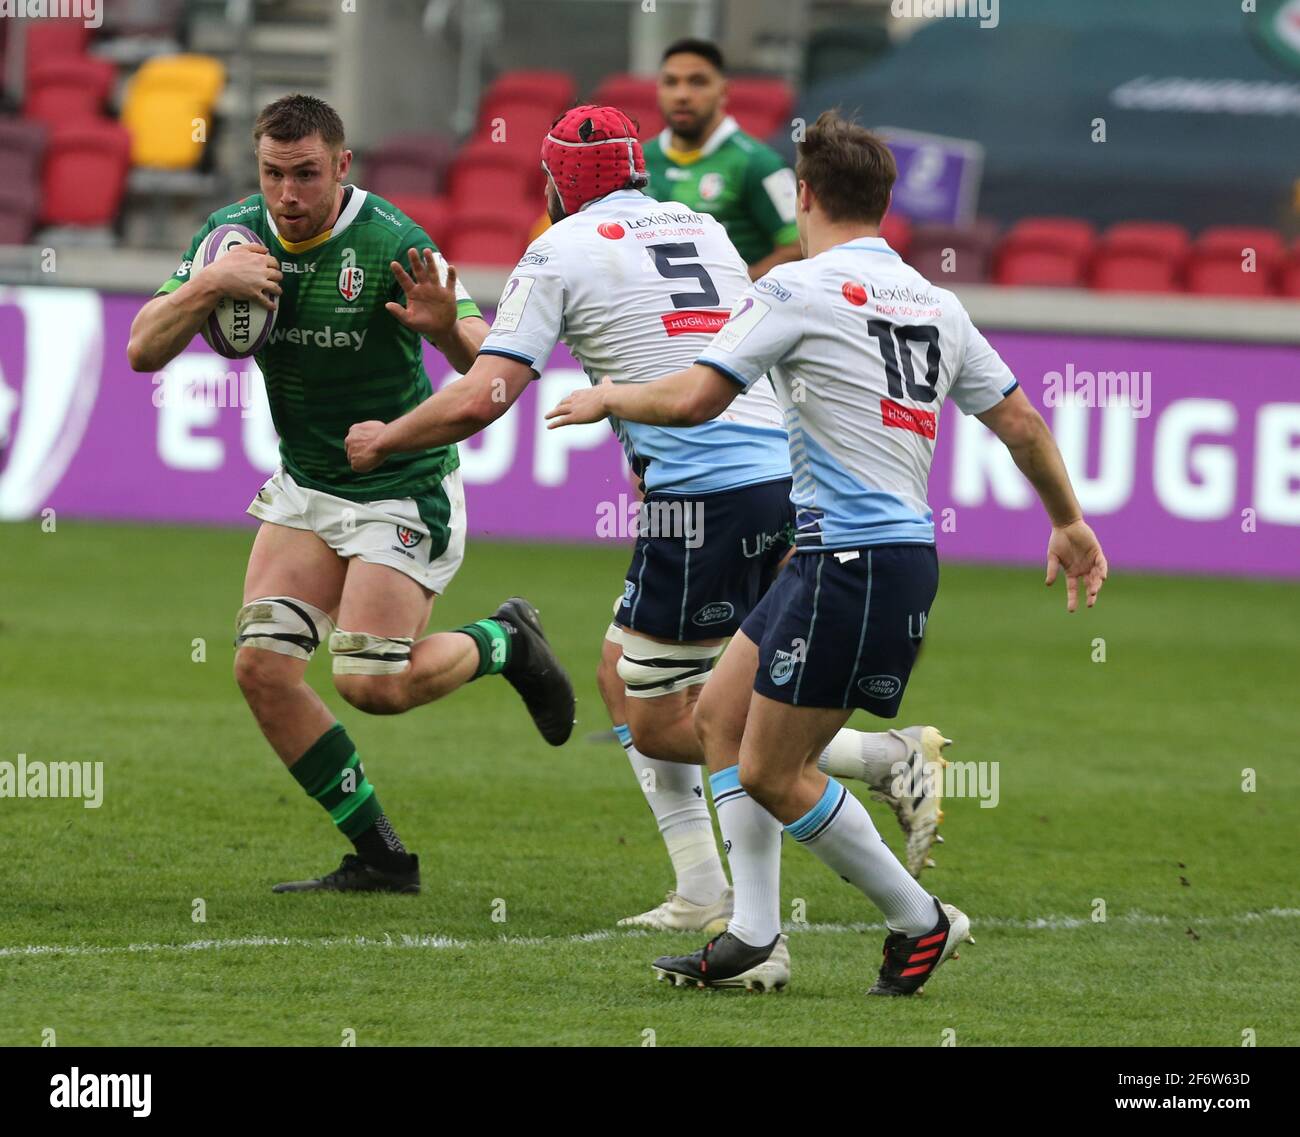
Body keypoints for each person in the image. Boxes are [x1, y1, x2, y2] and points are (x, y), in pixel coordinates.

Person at [346, 105, 953, 938]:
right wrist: (452, 325)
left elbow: (489, 393)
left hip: (705, 495)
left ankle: (864, 781)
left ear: (556, 185)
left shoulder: (556, 248)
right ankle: (704, 885)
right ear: (637, 172)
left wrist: (388, 436)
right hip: (779, 474)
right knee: (617, 673)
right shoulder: (702, 226)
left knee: (670, 720)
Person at [546, 110, 1108, 995]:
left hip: (855, 562)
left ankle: (920, 919)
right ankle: (753, 934)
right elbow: (1023, 421)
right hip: (852, 554)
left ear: (804, 195)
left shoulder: (794, 290)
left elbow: (696, 399)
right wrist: (1068, 520)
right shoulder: (936, 301)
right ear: (885, 202)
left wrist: (608, 394)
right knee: (720, 719)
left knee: (773, 769)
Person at [127, 93, 574, 896]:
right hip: (307, 485)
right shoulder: (231, 238)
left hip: (401, 486)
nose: (288, 195)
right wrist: (208, 285)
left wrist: (442, 325)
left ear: (343, 166)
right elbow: (140, 349)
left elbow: (494, 366)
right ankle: (382, 858)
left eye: (305, 175)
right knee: (262, 670)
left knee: (372, 684)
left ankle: (506, 641)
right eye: (272, 174)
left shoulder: (393, 239)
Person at [643, 38, 801, 279]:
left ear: (723, 92)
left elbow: (799, 246)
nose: (682, 95)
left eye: (698, 82)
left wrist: (740, 289)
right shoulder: (638, 161)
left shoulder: (762, 164)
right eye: (671, 82)